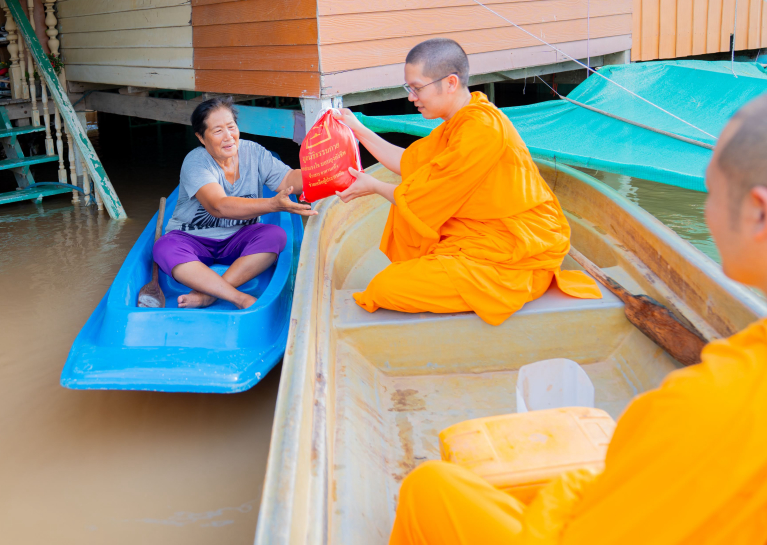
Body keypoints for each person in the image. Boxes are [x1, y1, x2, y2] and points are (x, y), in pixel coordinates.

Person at [387, 93, 767, 544]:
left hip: (515, 255)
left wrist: (560, 491)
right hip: (489, 246)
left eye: (712, 192)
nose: (707, 211)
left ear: (758, 211)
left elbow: (589, 531)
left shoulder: (704, 402)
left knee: (428, 488)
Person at [333, 37, 599, 326]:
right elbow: (409, 163)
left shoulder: (482, 128)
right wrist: (357, 129)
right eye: (409, 88)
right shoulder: (461, 120)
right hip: (482, 237)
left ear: (450, 82)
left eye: (417, 88)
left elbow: (425, 196)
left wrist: (373, 186)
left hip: (514, 254)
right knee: (407, 268)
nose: (411, 97)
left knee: (383, 288)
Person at [152, 97, 316, 309]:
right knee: (163, 247)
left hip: (238, 239)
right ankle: (238, 297)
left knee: (275, 236)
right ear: (201, 137)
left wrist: (325, 175)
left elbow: (288, 179)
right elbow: (218, 206)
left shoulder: (253, 152)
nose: (228, 137)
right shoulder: (196, 161)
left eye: (231, 127)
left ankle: (209, 294)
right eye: (218, 131)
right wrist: (273, 205)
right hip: (193, 239)